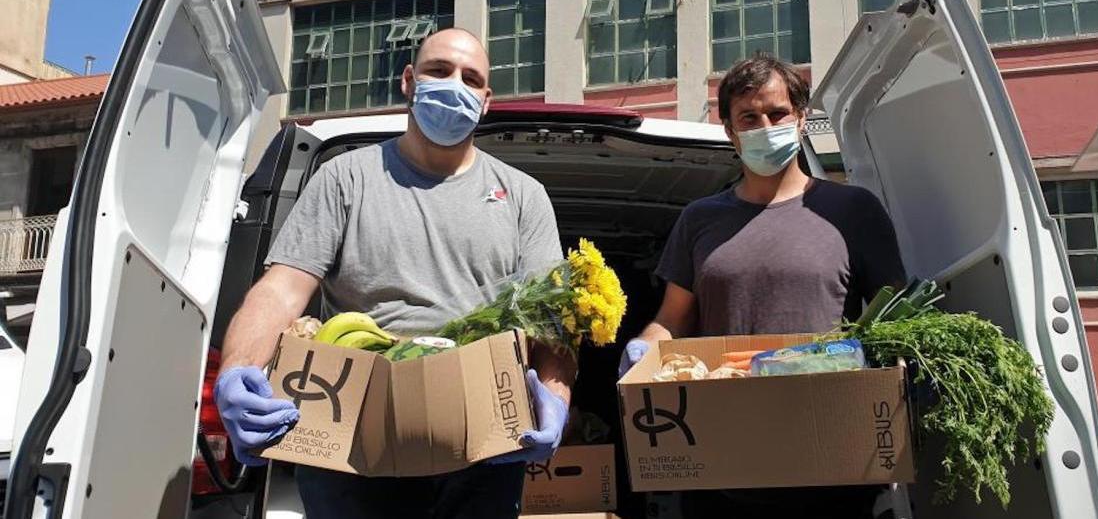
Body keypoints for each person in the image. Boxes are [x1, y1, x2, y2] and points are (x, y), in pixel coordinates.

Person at [214, 28, 573, 519]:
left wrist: (554, 398)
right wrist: (236, 373)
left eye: (471, 79)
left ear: (486, 101)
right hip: (353, 442)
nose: (455, 86)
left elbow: (552, 325)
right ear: (409, 81)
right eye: (439, 71)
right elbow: (280, 291)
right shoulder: (345, 178)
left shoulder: (523, 196)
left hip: (484, 443)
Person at [618, 53, 907, 518]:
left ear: (801, 120)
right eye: (748, 118)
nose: (764, 126)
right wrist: (643, 351)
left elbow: (892, 325)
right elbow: (670, 320)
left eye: (777, 114)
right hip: (722, 468)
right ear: (730, 132)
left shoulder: (853, 210)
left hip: (831, 465)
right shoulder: (699, 220)